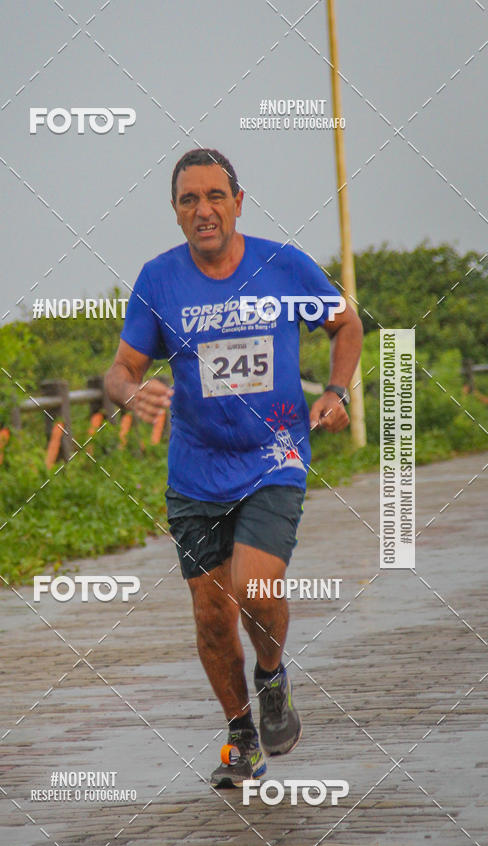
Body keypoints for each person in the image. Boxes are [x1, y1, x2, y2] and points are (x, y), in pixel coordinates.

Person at [105, 148, 363, 788]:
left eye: (215, 196)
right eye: (189, 200)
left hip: (275, 454)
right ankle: (241, 734)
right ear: (175, 212)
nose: (204, 210)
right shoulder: (159, 281)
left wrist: (337, 391)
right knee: (211, 614)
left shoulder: (283, 266)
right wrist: (128, 393)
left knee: (255, 585)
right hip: (195, 472)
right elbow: (121, 369)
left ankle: (272, 674)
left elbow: (346, 323)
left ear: (238, 201)